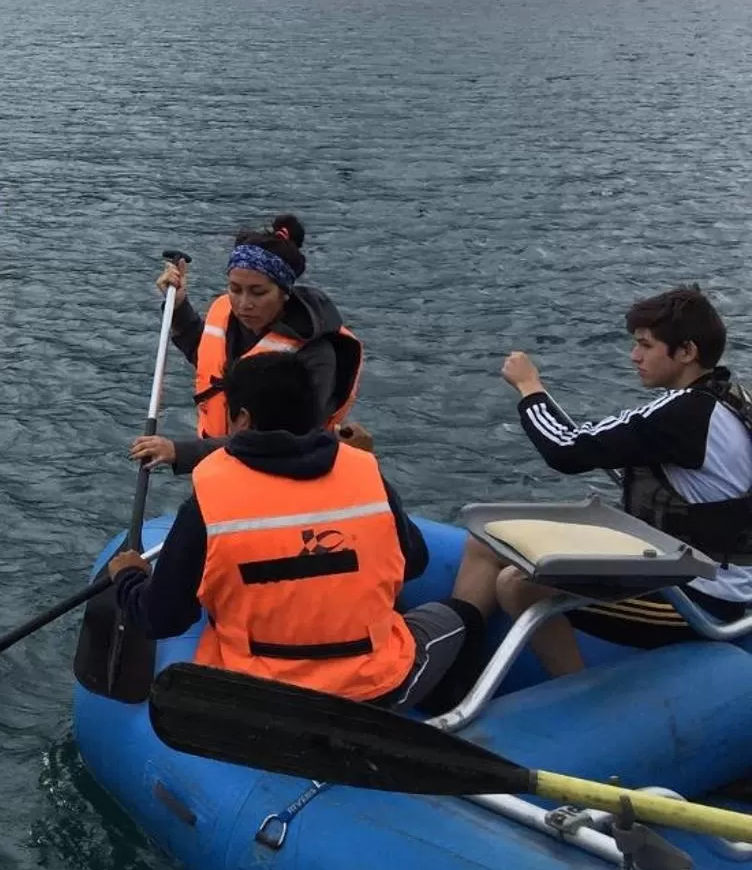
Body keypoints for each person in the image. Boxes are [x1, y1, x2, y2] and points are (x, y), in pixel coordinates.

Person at [106, 351, 479, 710]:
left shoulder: (207, 501)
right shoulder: (365, 472)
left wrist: (129, 578)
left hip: (261, 696)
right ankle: (449, 704)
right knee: (461, 613)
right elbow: (414, 562)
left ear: (243, 419)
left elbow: (162, 618)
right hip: (372, 689)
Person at [448, 286, 752, 677]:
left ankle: (576, 689)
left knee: (517, 585)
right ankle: (456, 656)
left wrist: (529, 387)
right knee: (484, 541)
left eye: (646, 345)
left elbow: (566, 449)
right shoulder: (732, 400)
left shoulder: (680, 415)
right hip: (689, 568)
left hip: (702, 598)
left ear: (687, 351)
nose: (634, 356)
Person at [131, 216, 364, 476]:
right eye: (235, 289)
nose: (244, 304)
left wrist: (180, 452)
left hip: (281, 475)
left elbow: (286, 439)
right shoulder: (230, 319)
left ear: (284, 292)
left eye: (258, 292)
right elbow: (206, 355)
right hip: (219, 466)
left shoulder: (315, 354)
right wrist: (178, 308)